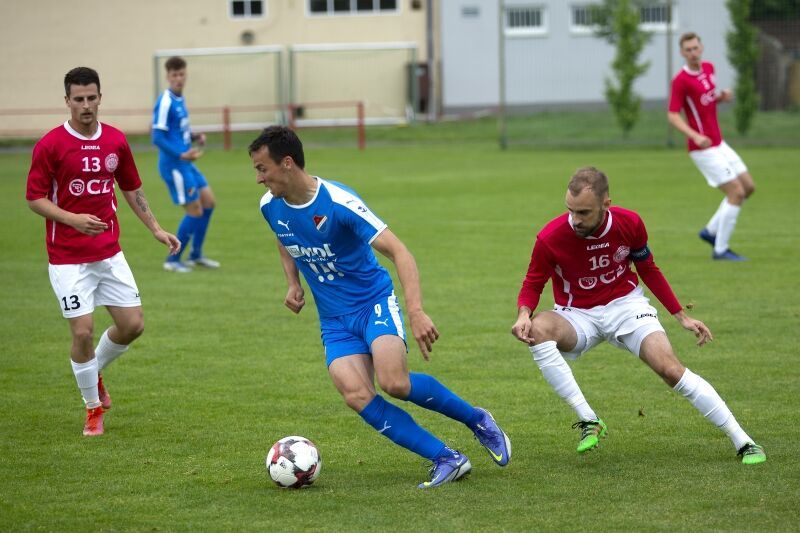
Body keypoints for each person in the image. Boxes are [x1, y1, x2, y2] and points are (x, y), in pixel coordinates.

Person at [250, 126, 511, 488]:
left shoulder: (338, 203)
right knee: (355, 394)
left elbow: (400, 251)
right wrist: (293, 283)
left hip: (372, 303)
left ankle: (477, 419)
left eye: (263, 169)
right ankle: (446, 458)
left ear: (288, 163)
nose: (260, 179)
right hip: (335, 320)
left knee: (394, 382)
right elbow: (284, 236)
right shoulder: (269, 206)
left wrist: (416, 311)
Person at [510, 166, 765, 465]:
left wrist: (681, 316)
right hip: (576, 314)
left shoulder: (629, 223)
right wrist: (524, 314)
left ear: (606, 204)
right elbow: (533, 281)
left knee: (670, 369)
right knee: (537, 330)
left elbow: (648, 269)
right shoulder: (550, 237)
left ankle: (743, 441)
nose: (575, 220)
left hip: (626, 306)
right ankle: (589, 419)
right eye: (571, 211)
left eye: (583, 212)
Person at [26, 67, 181, 436]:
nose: (85, 105)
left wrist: (156, 228)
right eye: (78, 99)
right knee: (82, 332)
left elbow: (131, 188)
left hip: (109, 253)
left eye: (91, 98)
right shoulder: (50, 145)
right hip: (67, 257)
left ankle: (92, 371)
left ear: (99, 97)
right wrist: (72, 219)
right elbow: (34, 198)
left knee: (133, 325)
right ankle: (93, 408)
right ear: (67, 101)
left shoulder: (114, 140)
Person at [668, 32, 756, 261]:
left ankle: (710, 231)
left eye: (696, 48)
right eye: (688, 50)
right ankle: (720, 250)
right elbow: (673, 115)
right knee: (736, 192)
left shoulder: (709, 68)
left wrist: (721, 97)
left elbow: (705, 99)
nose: (693, 53)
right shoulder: (680, 80)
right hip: (702, 148)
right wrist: (695, 136)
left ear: (702, 47)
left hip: (719, 142)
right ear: (682, 53)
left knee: (747, 186)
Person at [152, 56, 219, 272]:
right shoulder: (165, 102)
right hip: (174, 165)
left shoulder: (180, 99)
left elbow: (176, 133)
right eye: (174, 75)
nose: (178, 79)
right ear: (168, 76)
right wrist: (181, 155)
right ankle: (172, 260)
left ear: (185, 75)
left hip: (186, 162)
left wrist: (194, 136)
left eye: (181, 74)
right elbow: (158, 137)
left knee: (209, 202)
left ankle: (196, 254)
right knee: (195, 210)